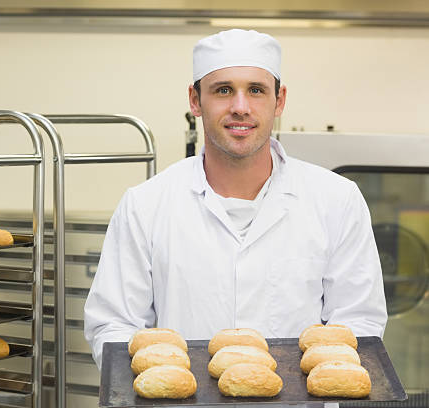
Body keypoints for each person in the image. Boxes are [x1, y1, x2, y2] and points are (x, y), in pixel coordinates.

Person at [84, 29, 387, 370]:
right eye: (223, 90)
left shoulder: (336, 200)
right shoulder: (145, 205)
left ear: (280, 100)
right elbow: (113, 327)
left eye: (256, 91)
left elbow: (358, 326)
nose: (240, 107)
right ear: (195, 100)